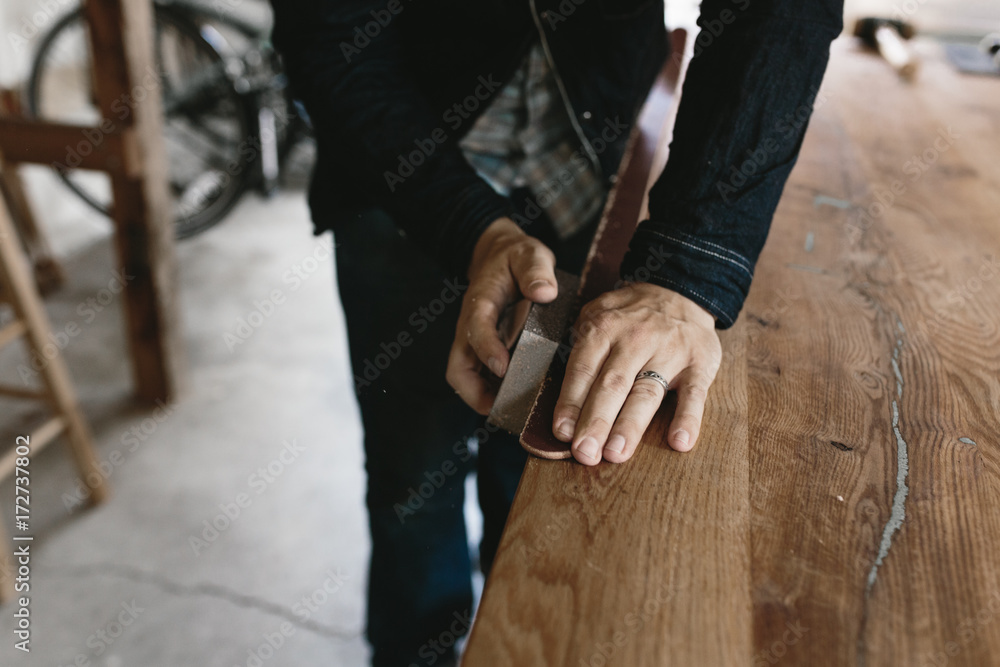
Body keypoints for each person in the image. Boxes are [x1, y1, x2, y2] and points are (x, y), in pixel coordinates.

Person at [269, 1, 843, 664]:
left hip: (591, 172)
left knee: (540, 476)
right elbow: (331, 34)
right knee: (411, 481)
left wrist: (689, 267)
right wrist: (468, 226)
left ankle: (505, 634)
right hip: (399, 180)